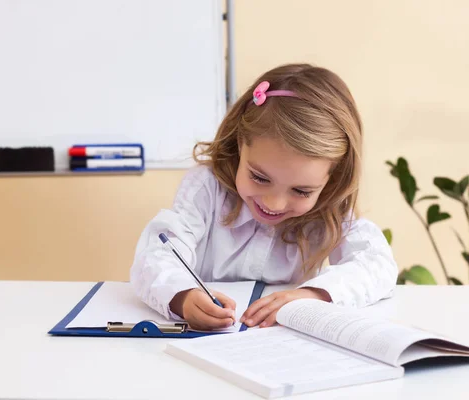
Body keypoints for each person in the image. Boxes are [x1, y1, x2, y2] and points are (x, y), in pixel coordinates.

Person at [130, 63, 398, 331]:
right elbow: (155, 256)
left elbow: (378, 264)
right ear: (239, 144)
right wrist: (184, 297)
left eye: (302, 191)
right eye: (259, 177)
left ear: (331, 180)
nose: (274, 204)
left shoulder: (329, 209)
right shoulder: (206, 189)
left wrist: (312, 296)